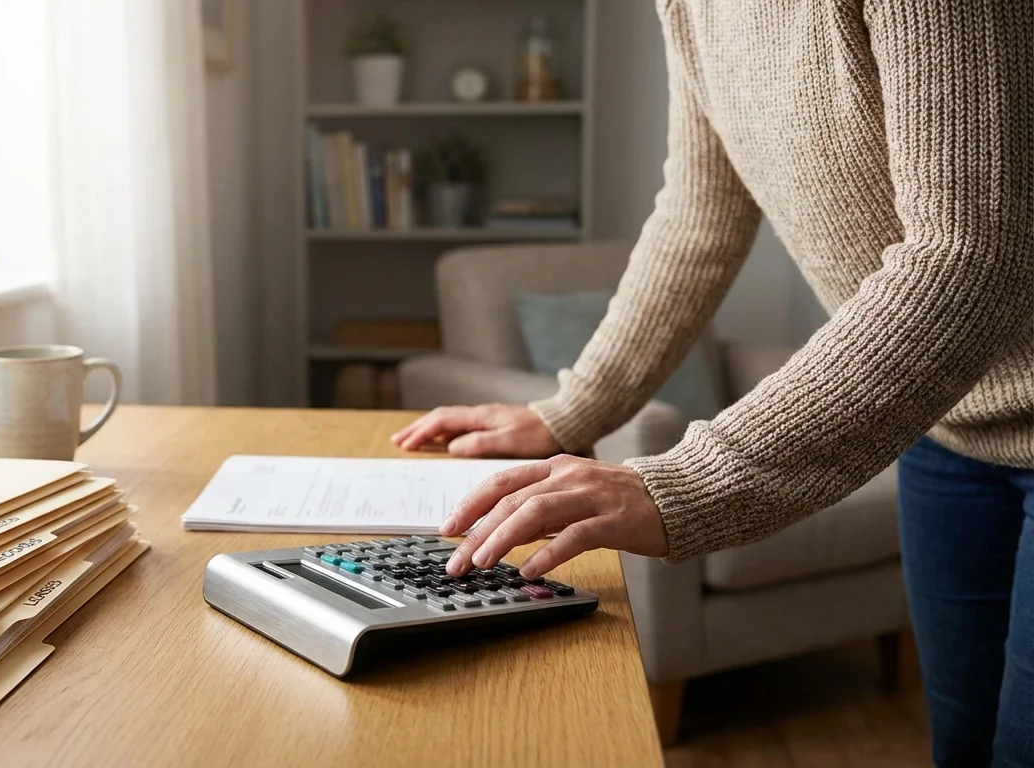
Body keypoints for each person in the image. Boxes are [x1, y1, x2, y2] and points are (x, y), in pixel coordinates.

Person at [391, 2, 1033, 765]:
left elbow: (970, 250)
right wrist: (570, 411)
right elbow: (701, 214)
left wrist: (689, 481)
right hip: (947, 427)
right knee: (962, 740)